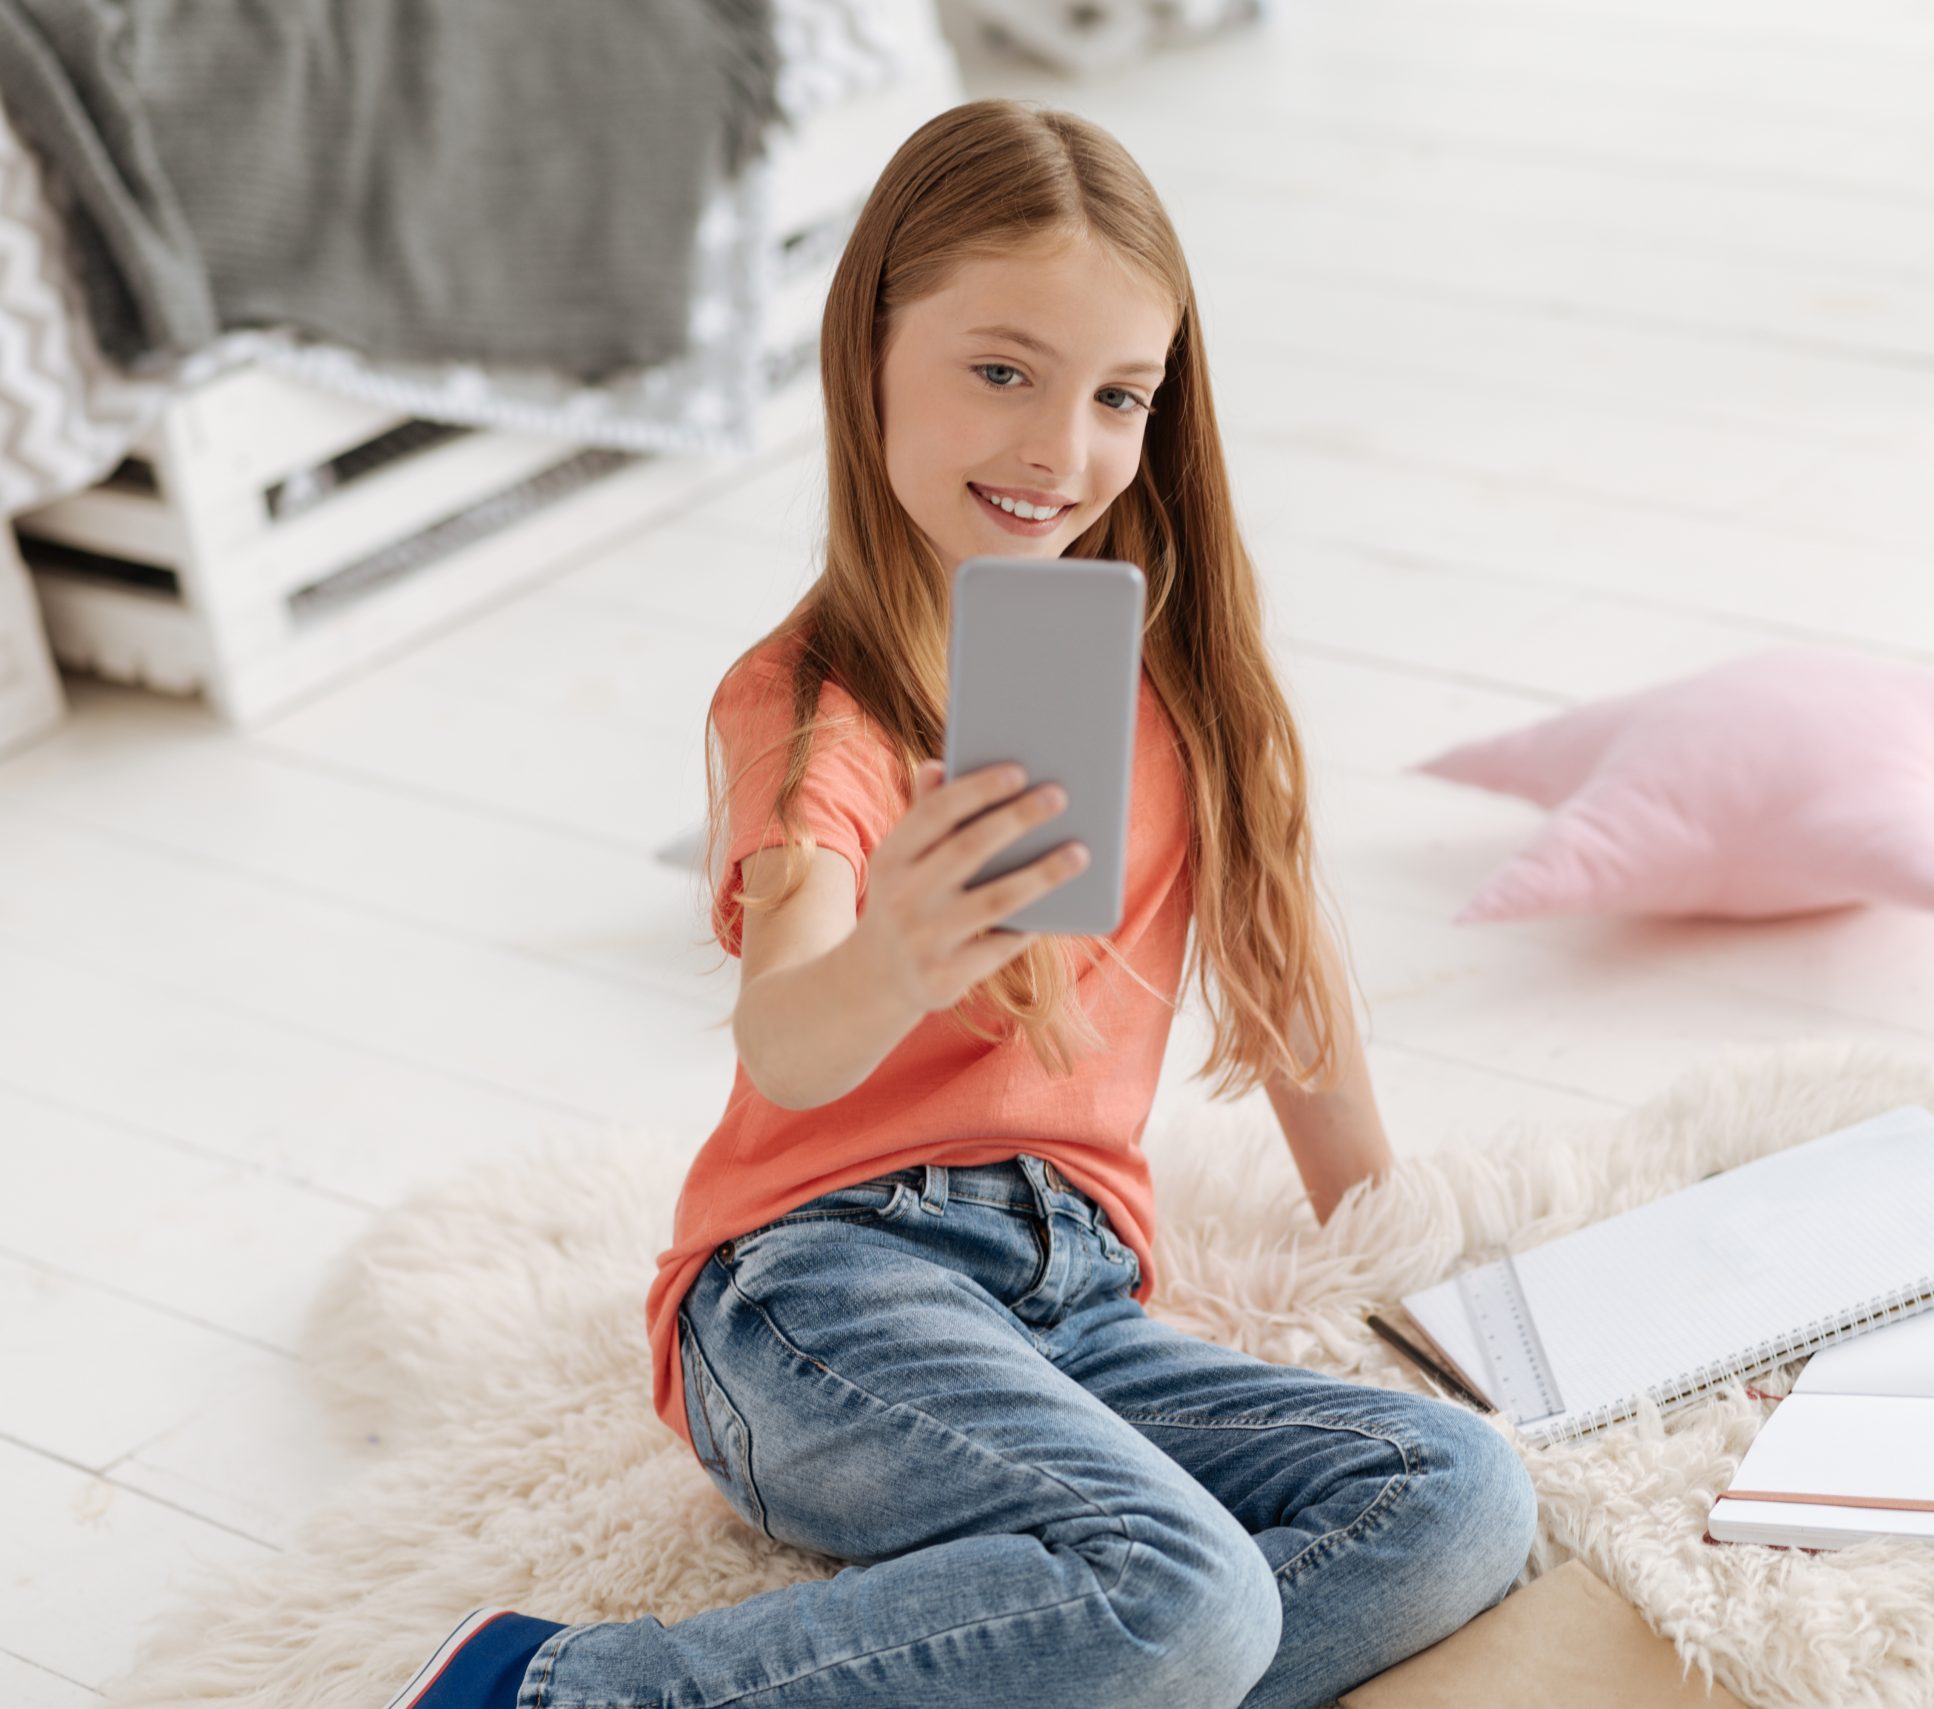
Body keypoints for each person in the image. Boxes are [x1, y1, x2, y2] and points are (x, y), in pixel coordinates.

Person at [386, 97, 1539, 1709]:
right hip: (811, 1298)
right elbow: (789, 1035)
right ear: (868, 351)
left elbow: (1287, 991)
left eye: (1117, 394)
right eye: (1001, 370)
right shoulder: (811, 709)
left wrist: (1434, 1284)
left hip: (1077, 1295)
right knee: (1182, 1588)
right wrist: (901, 951)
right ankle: (555, 1687)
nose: (1059, 450)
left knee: (1457, 1495)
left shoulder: (1170, 666)